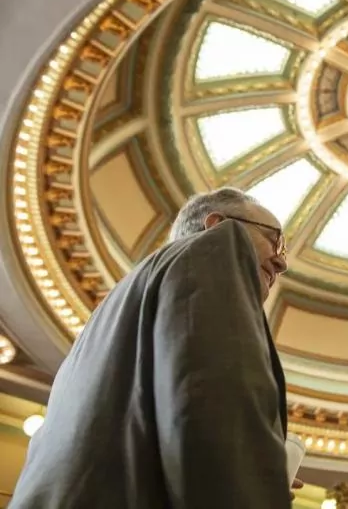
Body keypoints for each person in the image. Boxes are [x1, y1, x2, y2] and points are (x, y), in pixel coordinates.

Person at [11, 188, 298, 508]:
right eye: (274, 240)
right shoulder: (216, 249)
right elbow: (213, 404)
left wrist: (262, 472)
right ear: (216, 225)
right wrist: (252, 483)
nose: (281, 262)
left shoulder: (105, 321)